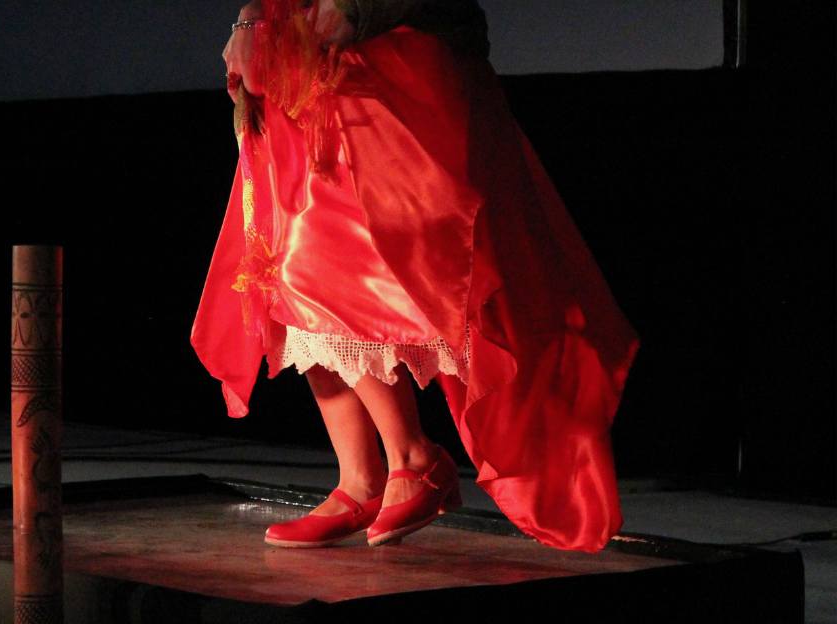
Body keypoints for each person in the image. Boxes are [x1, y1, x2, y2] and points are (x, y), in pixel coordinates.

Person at [192, 0, 640, 552]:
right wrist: (251, 22)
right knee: (286, 276)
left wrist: (345, 12)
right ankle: (361, 479)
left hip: (391, 70)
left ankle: (412, 460)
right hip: (308, 71)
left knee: (331, 272)